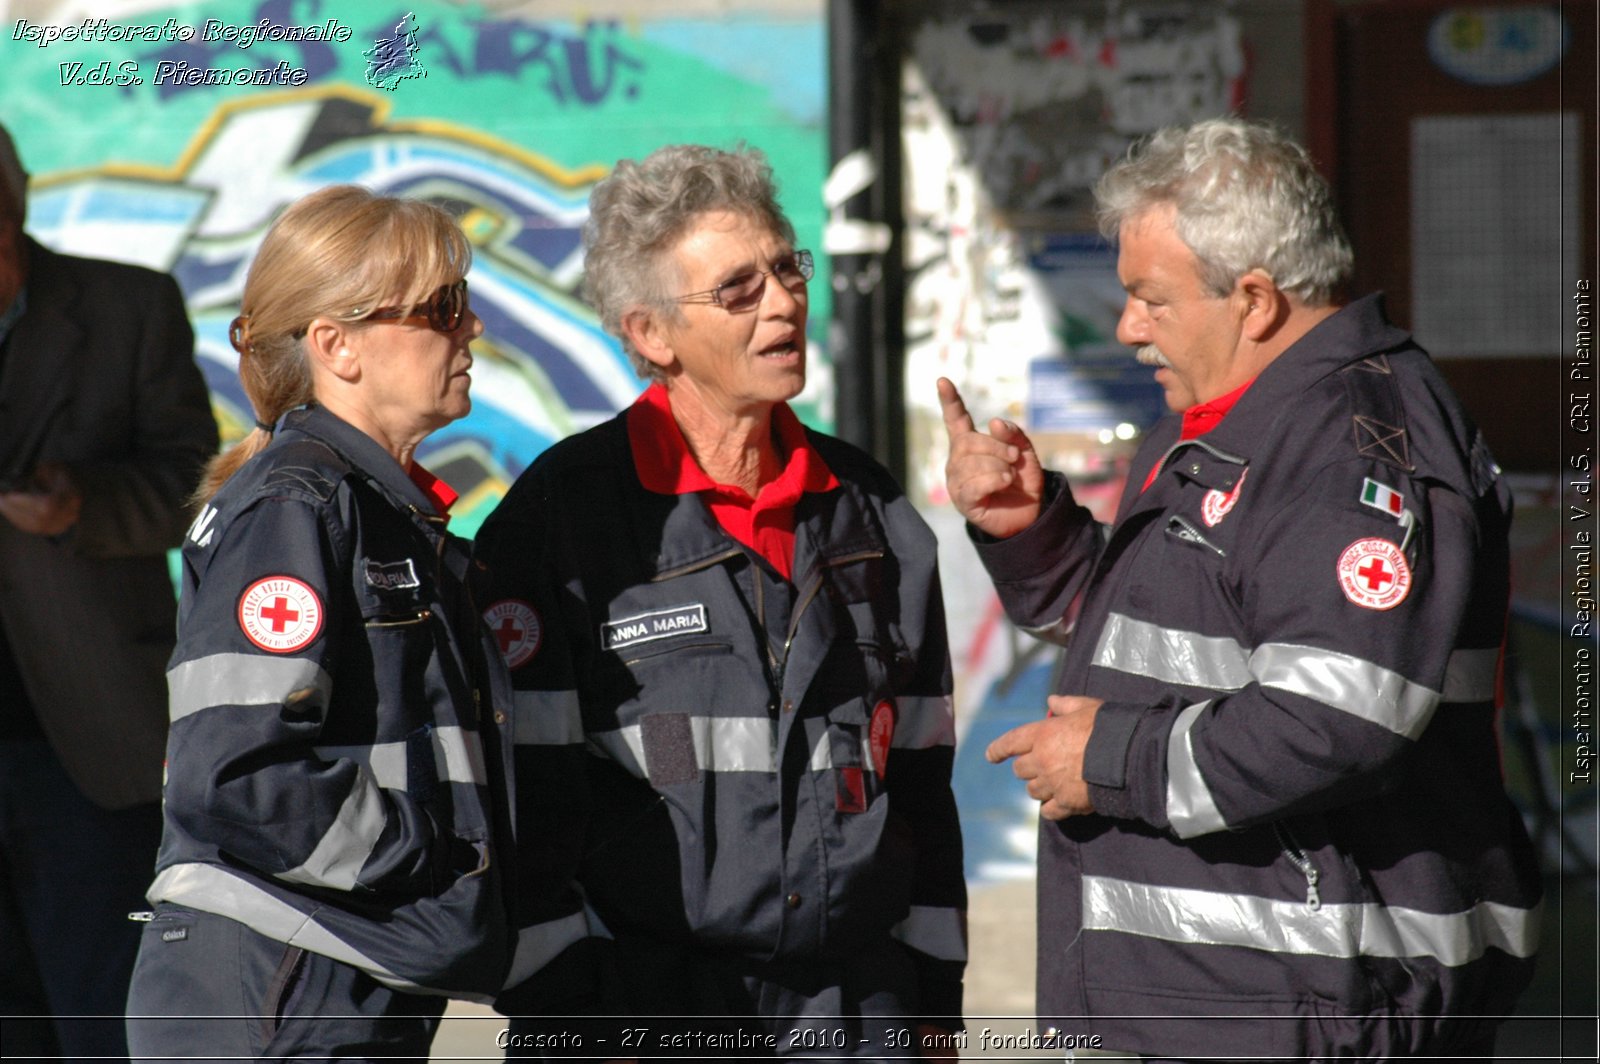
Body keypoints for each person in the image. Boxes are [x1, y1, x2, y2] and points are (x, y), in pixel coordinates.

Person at [940, 117, 1542, 1060]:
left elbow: (1335, 717)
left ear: (1254, 298)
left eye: (1150, 299)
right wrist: (1033, 530)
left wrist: (1106, 763)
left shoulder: (1346, 446)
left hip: (1312, 1002)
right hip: (1234, 996)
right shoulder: (1246, 419)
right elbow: (1173, 636)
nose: (1128, 327)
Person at [475, 144, 966, 1058]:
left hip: (855, 1010)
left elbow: (924, 785)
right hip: (641, 1005)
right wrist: (564, 1003)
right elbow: (522, 799)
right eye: (738, 289)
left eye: (787, 269)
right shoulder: (564, 519)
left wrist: (932, 1000)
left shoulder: (874, 512)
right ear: (652, 335)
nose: (784, 302)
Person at [124, 185, 519, 1061]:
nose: (472, 328)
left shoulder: (369, 509)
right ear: (336, 345)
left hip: (330, 970)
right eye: (441, 307)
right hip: (281, 984)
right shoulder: (298, 506)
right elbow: (234, 771)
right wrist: (434, 860)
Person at [0, 123, 217, 1061]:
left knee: (107, 1021)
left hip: (88, 737)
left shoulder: (128, 304)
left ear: (15, 197)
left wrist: (77, 505)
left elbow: (191, 485)